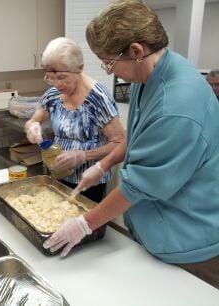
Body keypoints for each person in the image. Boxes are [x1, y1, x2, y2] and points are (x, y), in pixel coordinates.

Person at [43, 0, 219, 289]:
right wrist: (104, 164)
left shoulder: (175, 106)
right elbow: (136, 136)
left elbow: (138, 186)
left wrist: (85, 224)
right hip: (157, 227)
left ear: (137, 51)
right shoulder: (146, 77)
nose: (109, 71)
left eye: (109, 62)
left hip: (189, 241)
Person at [24, 37, 126, 203]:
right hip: (57, 174)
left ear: (80, 68)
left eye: (62, 77)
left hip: (89, 182)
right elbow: (33, 120)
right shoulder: (54, 94)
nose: (56, 84)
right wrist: (32, 126)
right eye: (50, 77)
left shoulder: (98, 99)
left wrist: (82, 155)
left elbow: (120, 143)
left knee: (85, 225)